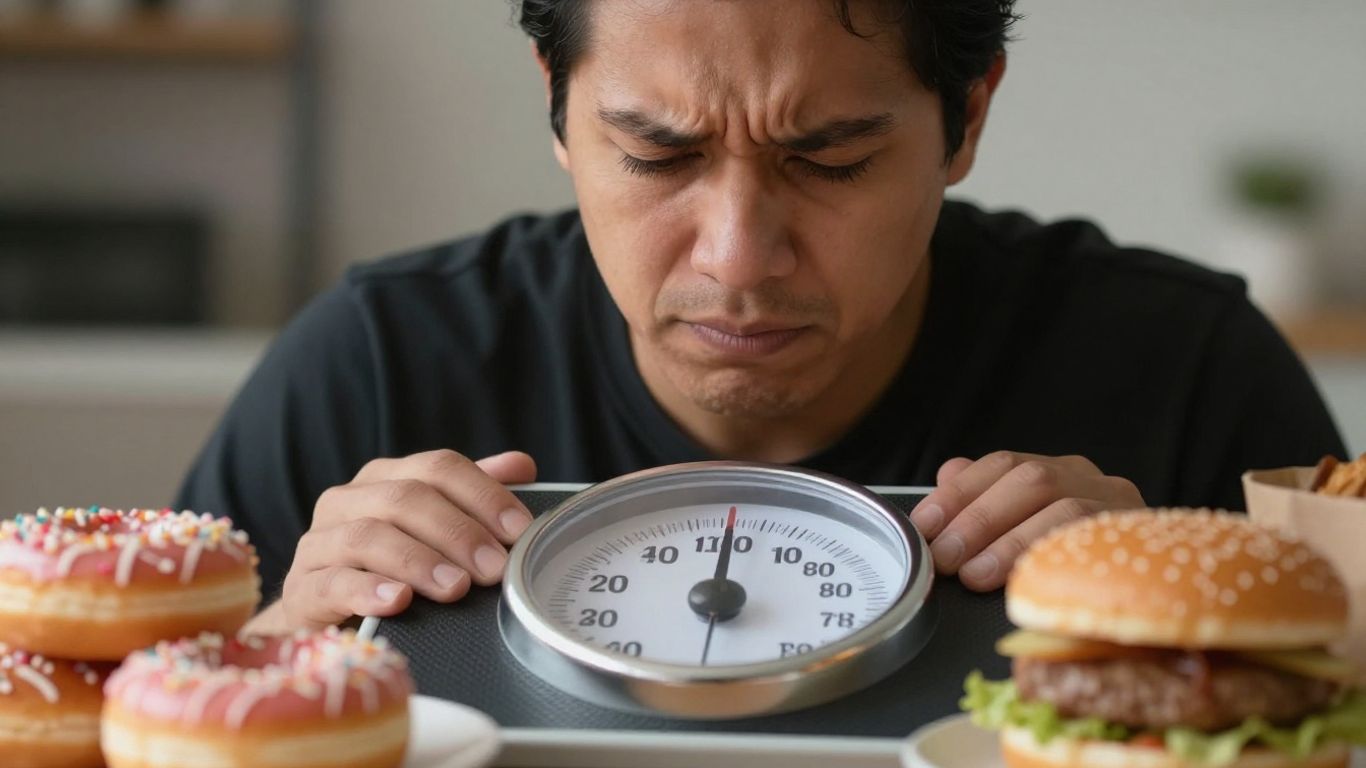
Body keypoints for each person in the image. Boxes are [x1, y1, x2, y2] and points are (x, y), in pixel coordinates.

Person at [177, 0, 1346, 635]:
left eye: (830, 161)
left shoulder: (1191, 370)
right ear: (557, 107)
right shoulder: (372, 363)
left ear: (965, 117)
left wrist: (1200, 633)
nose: (737, 257)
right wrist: (275, 643)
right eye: (655, 154)